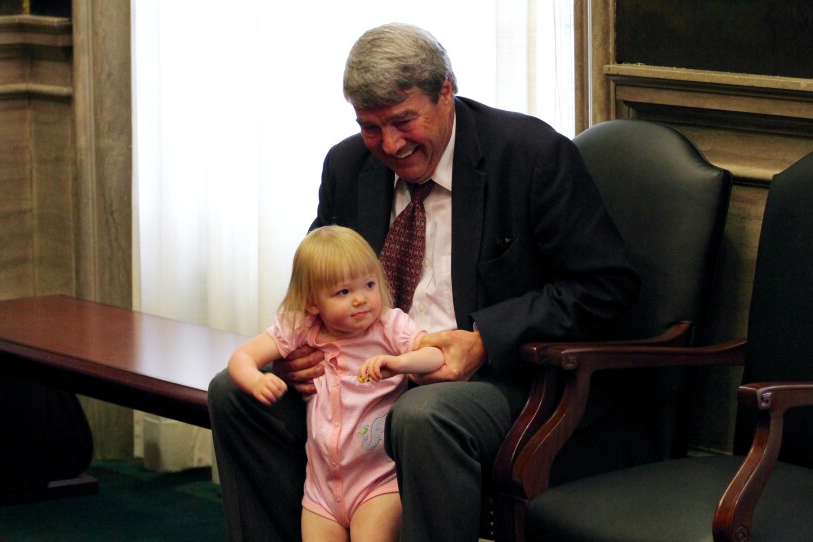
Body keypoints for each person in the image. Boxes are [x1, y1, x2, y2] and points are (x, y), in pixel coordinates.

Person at [208, 22, 640, 542]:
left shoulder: (528, 156)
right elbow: (314, 285)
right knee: (234, 392)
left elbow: (606, 285)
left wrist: (485, 339)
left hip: (498, 379)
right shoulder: (348, 167)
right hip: (358, 376)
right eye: (371, 127)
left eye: (403, 120)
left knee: (422, 415)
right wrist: (300, 350)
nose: (390, 144)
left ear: (446, 92)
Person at [227, 225, 443, 542]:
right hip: (321, 492)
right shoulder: (302, 327)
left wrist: (399, 363)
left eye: (369, 285)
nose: (361, 300)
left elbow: (434, 356)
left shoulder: (387, 325)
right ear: (313, 302)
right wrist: (255, 380)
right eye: (343, 292)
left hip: (377, 483)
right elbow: (242, 358)